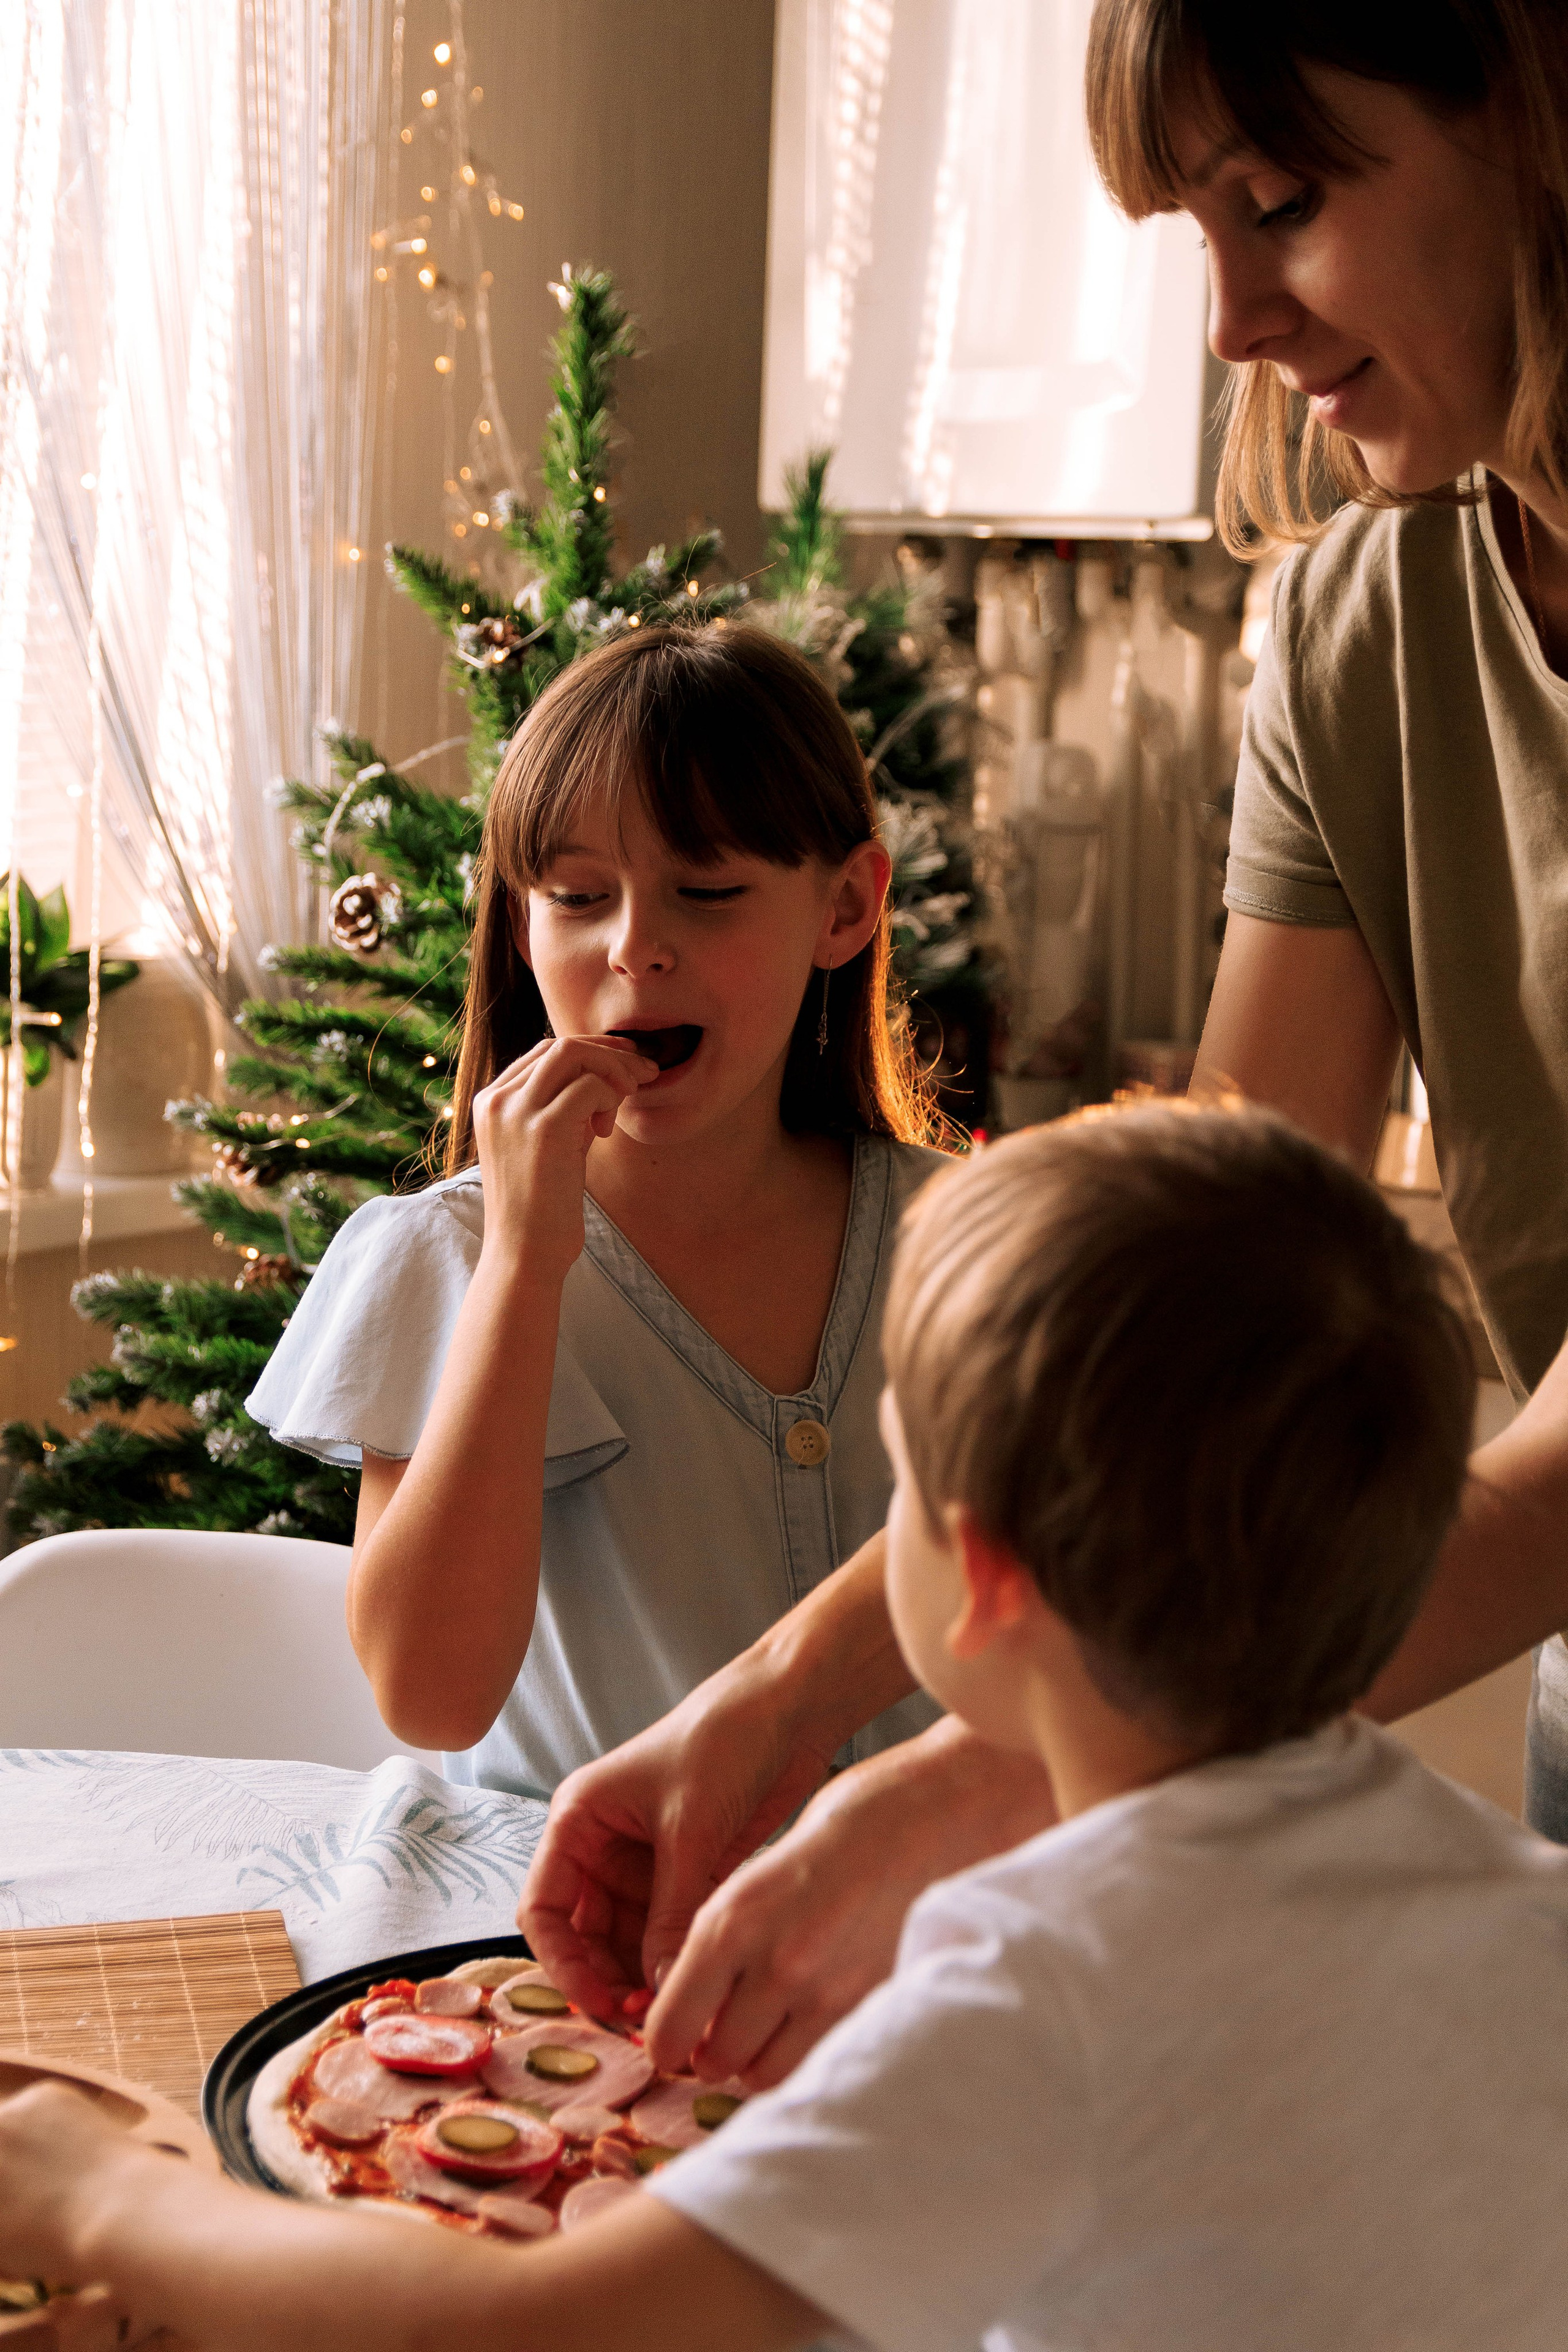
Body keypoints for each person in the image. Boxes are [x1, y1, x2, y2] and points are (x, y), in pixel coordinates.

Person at [521, 0, 1568, 2084]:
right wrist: (799, 1692)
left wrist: (969, 1779)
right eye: (1197, 228)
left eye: (1281, 204)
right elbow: (1206, 1291)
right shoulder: (1369, 622)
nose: (1235, 322)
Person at [9, 1104, 1568, 2352]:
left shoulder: (1029, 1985)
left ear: (984, 1582)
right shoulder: (1523, 1897)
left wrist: (99, 2203)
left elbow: (528, 2333)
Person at [246, 622, 944, 1794]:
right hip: (574, 1950)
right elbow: (430, 1697)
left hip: (915, 1942)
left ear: (846, 908)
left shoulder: (969, 1242)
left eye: (708, 891)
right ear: (523, 923)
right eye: (577, 897)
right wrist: (523, 1260)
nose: (635, 949)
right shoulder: (444, 1260)